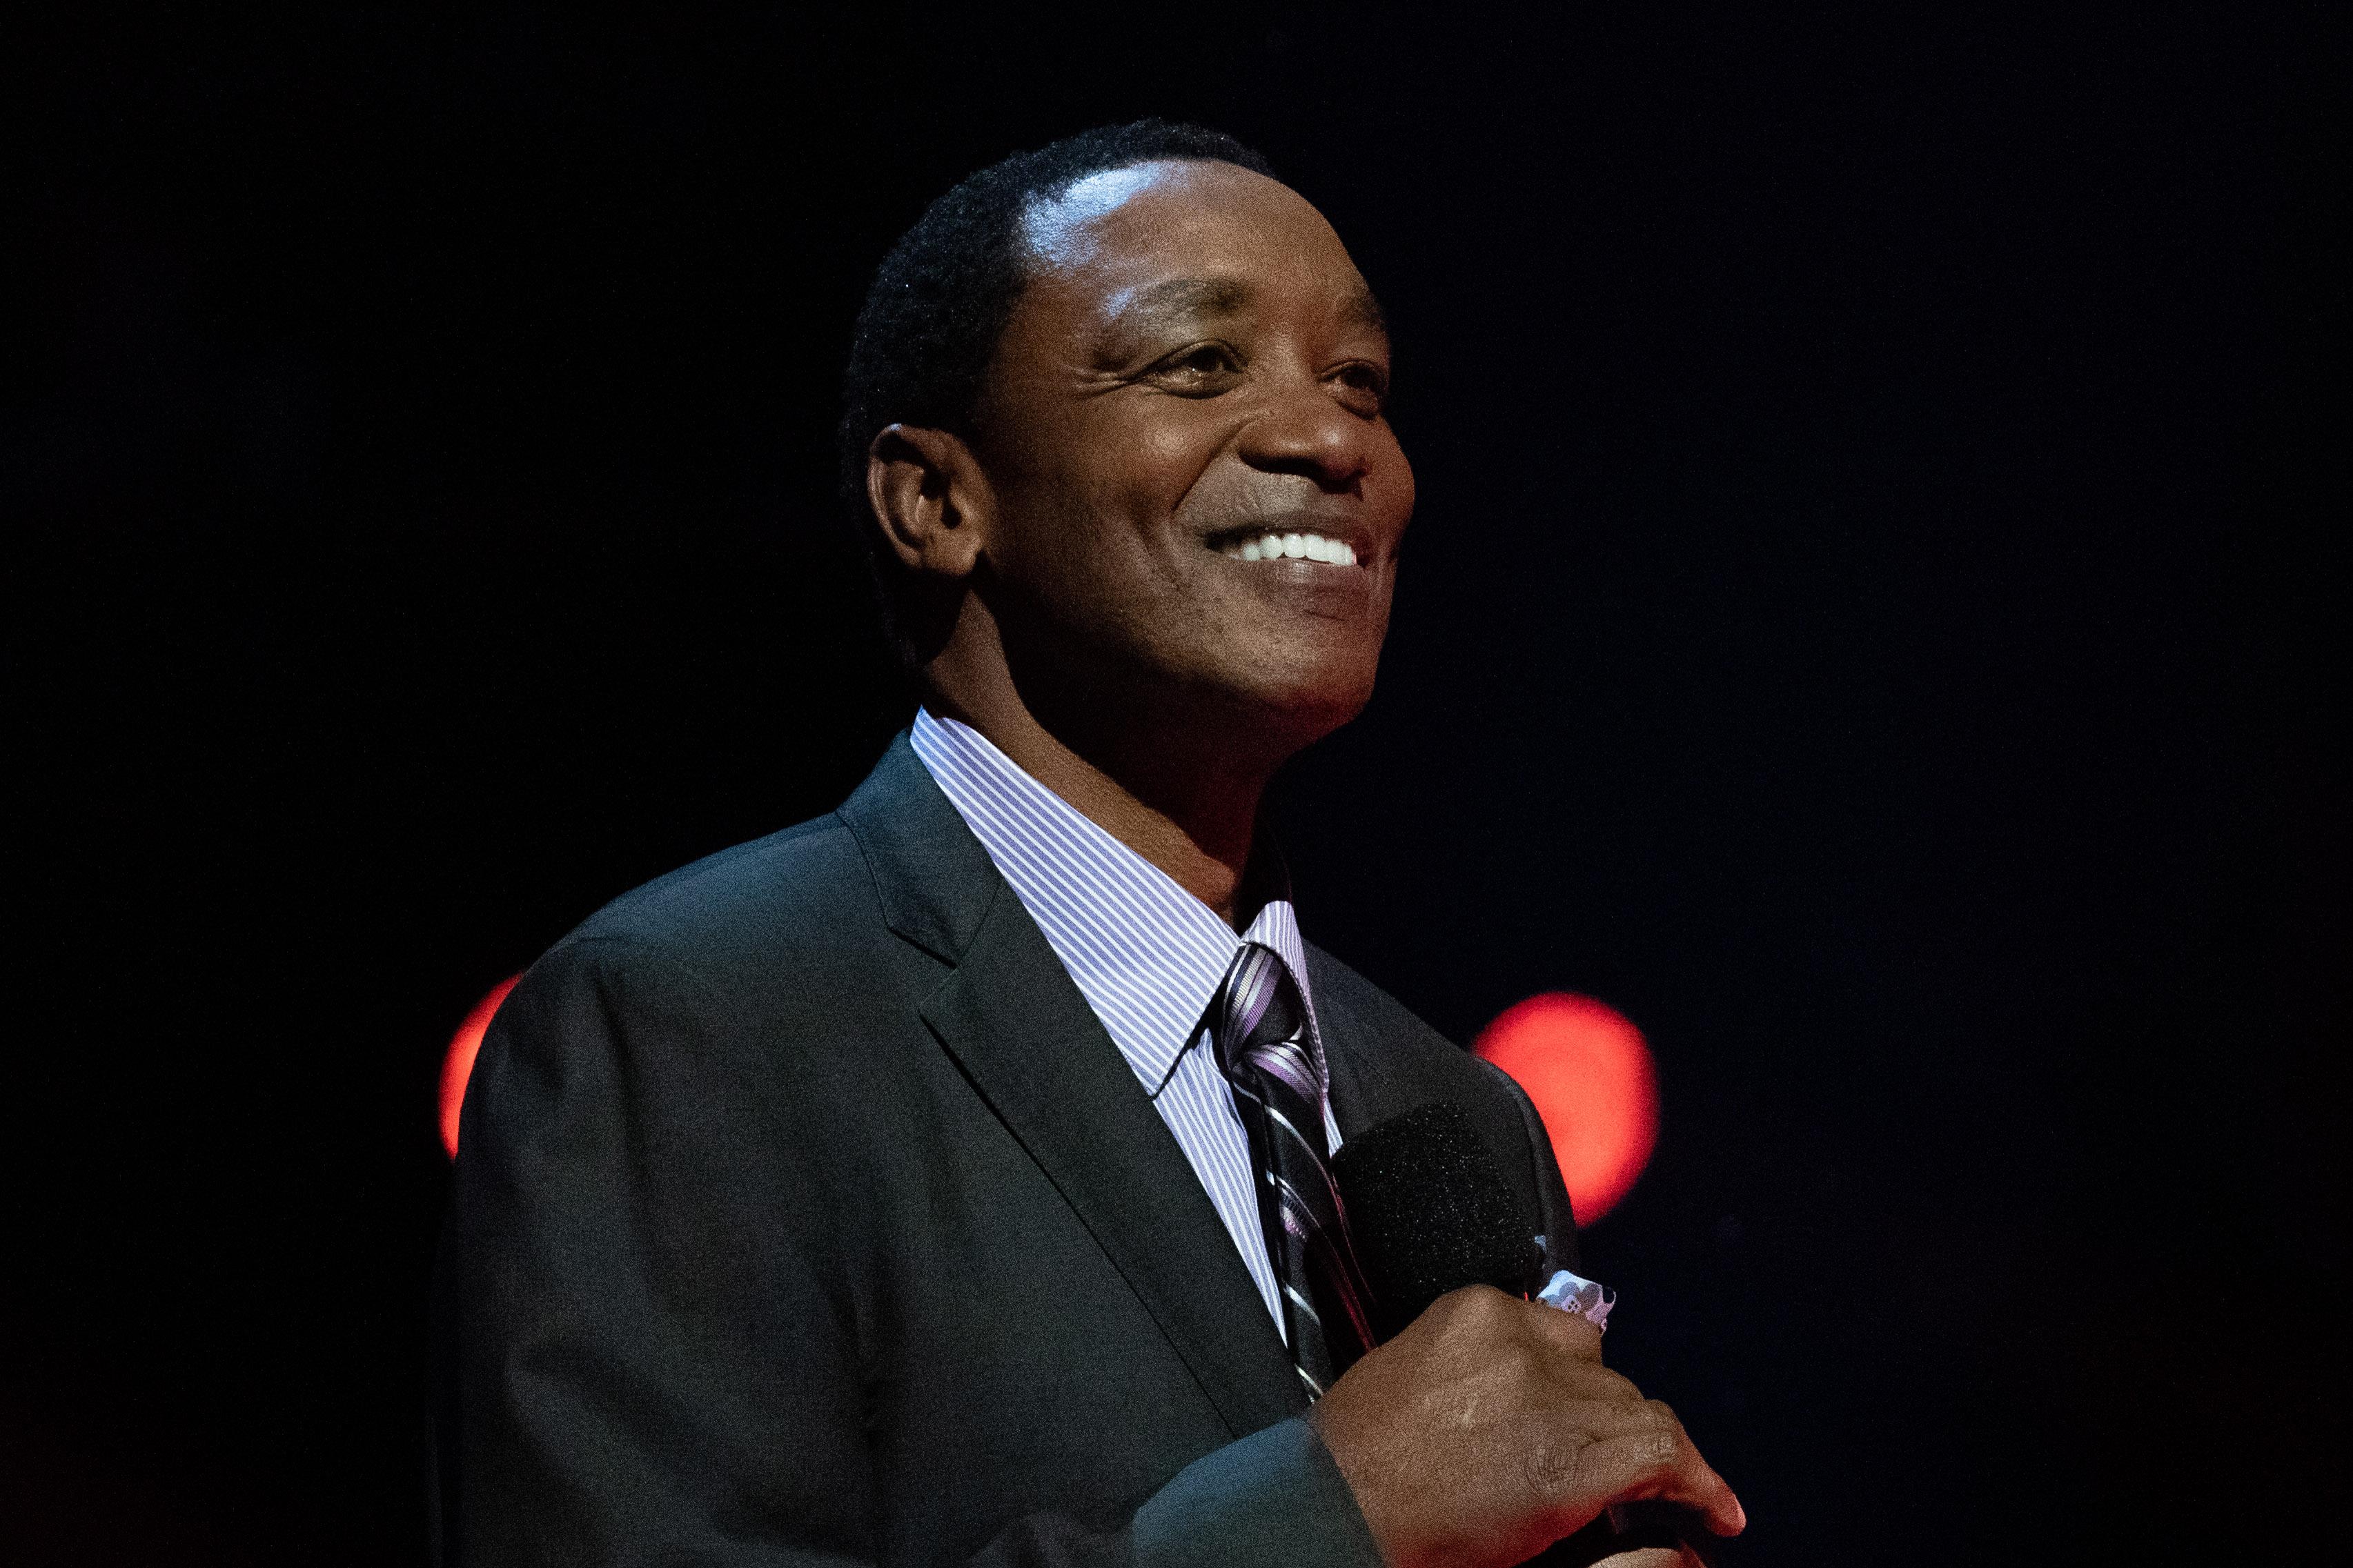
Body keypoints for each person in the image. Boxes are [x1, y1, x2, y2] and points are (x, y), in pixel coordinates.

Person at [433, 120, 1744, 1568]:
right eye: (1198, 363)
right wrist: (1328, 1517)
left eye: (1360, 382)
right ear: (938, 501)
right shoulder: (690, 1020)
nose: (1331, 440)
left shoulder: (1453, 1110)